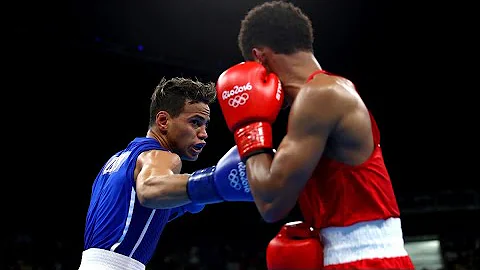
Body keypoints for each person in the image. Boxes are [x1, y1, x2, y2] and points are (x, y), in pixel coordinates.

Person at [215, 1, 415, 269]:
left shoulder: (320, 95)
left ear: (259, 58)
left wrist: (248, 126)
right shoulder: (325, 93)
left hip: (366, 262)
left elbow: (271, 202)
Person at [79, 77, 254, 270]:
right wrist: (213, 182)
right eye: (195, 122)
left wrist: (192, 200)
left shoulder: (118, 160)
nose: (204, 133)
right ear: (163, 121)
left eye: (205, 124)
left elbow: (138, 214)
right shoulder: (162, 156)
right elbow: (149, 191)